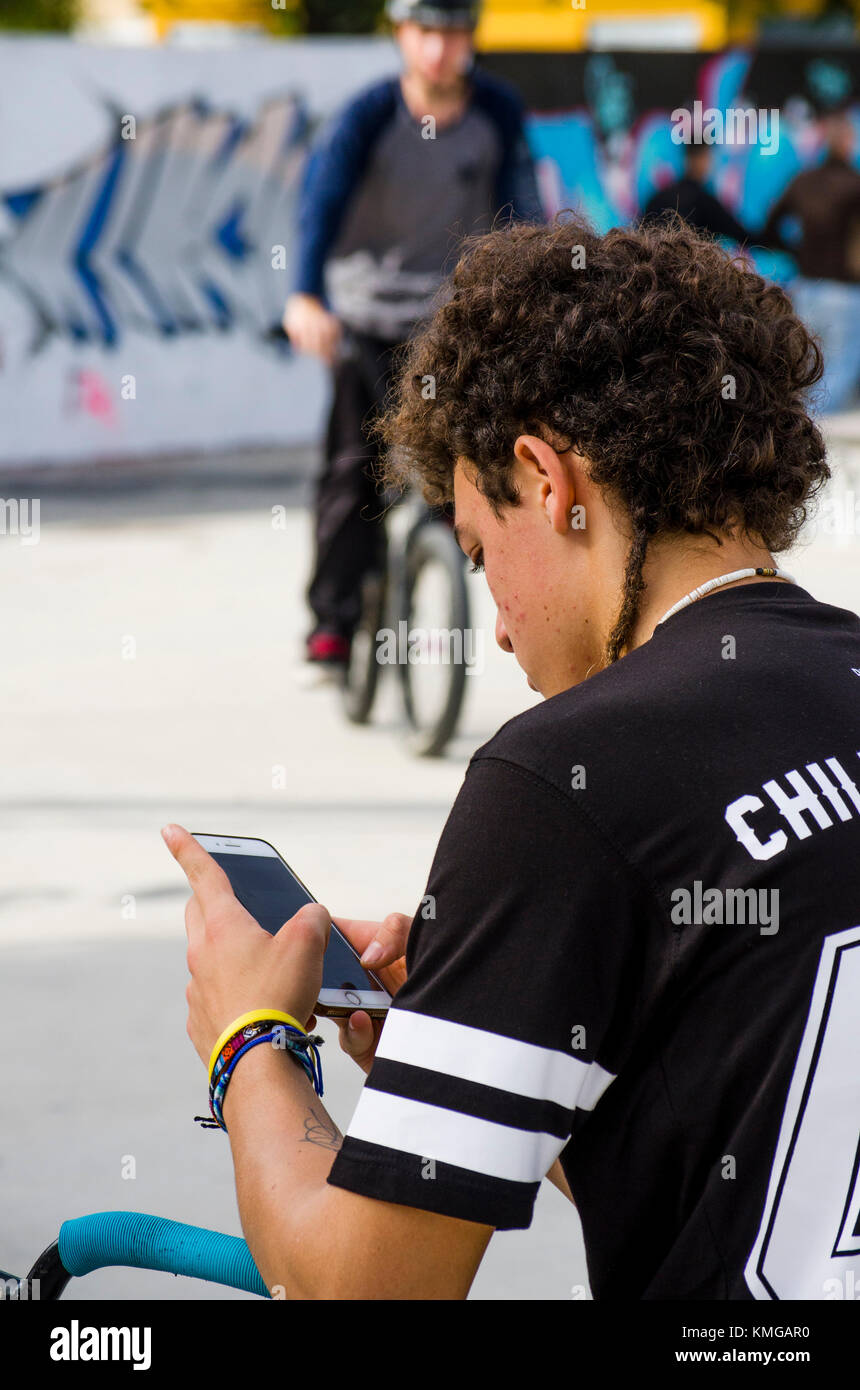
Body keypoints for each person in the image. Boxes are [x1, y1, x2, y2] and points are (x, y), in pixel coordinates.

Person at [165, 217, 860, 1301]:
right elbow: (753, 1166)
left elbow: (367, 1291)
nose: (495, 629)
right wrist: (483, 1054)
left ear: (546, 479)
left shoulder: (560, 780)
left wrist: (251, 1042)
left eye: (480, 555)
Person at [283, 0, 543, 667]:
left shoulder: (498, 111)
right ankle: (334, 621)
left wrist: (542, 286)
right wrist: (305, 295)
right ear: (402, 35)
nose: (439, 48)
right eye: (426, 32)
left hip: (451, 325)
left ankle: (452, 587)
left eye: (454, 32)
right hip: (366, 317)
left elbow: (523, 206)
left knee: (464, 476)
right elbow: (320, 206)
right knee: (353, 469)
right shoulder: (368, 115)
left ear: (472, 39)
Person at [760, 104, 860, 412]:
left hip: (805, 287)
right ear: (847, 142)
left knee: (807, 375)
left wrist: (796, 251)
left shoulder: (803, 181)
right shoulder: (855, 185)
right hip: (844, 291)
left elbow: (770, 225)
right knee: (838, 378)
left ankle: (806, 439)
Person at [641, 139, 750, 245]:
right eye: (709, 157)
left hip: (653, 262)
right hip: (691, 262)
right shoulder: (705, 202)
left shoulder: (656, 198)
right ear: (702, 159)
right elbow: (744, 236)